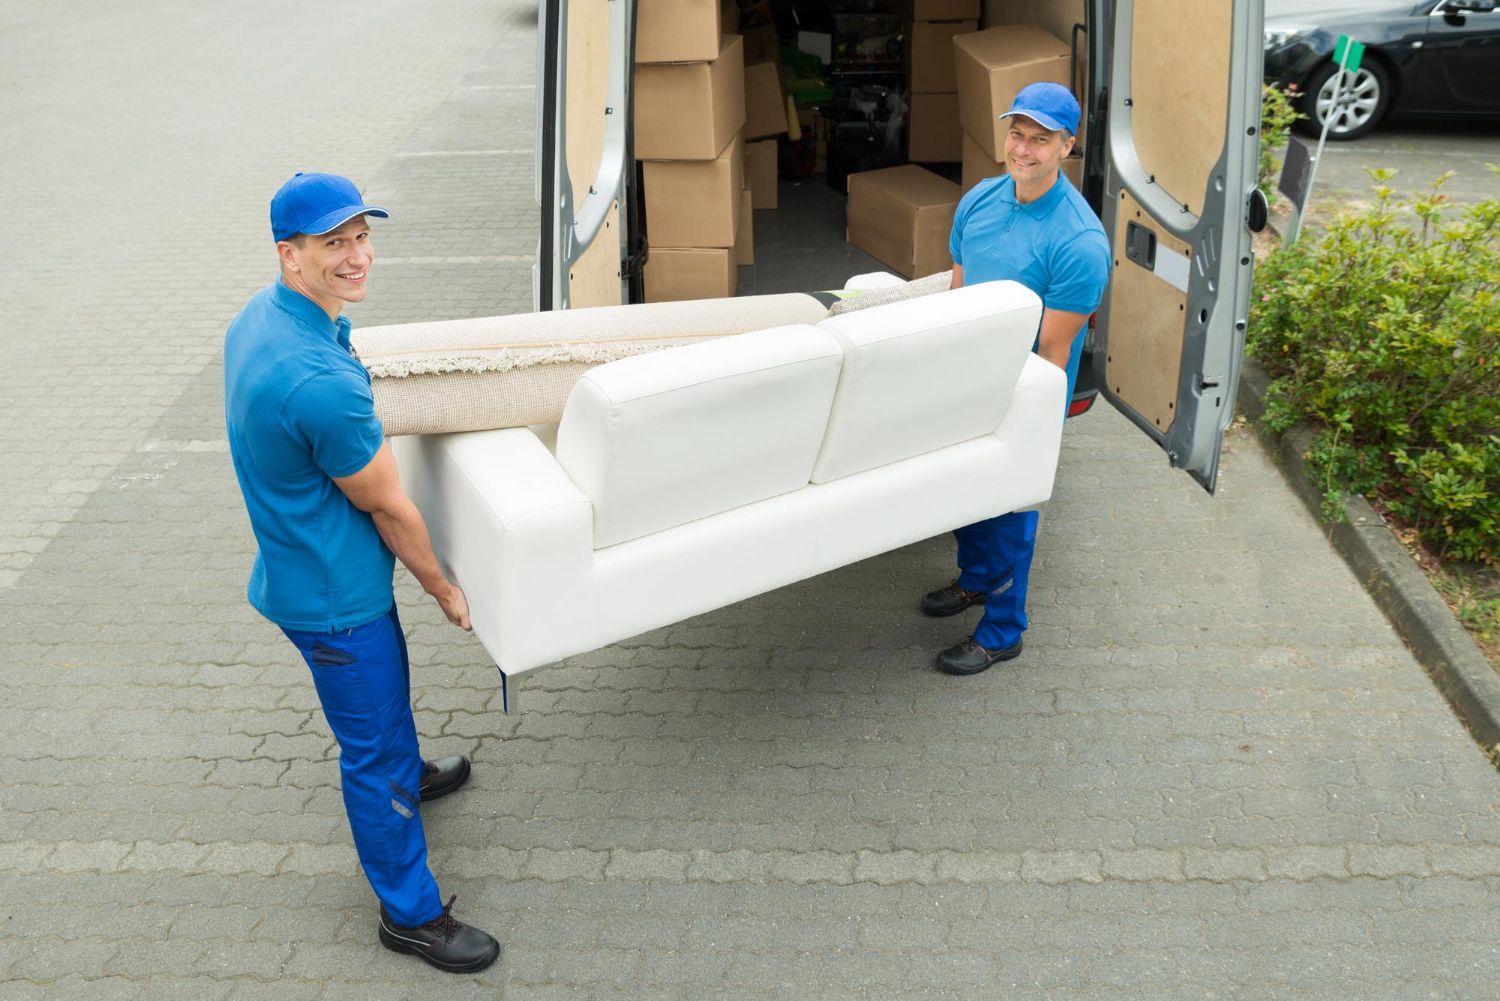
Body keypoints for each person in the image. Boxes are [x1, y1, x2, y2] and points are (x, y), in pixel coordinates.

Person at [223, 172, 501, 973]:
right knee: (370, 753)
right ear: (290, 254)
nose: (357, 256)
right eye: (333, 244)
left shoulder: (264, 316)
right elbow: (389, 507)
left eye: (361, 237)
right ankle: (409, 914)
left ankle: (409, 770)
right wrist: (445, 588)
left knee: (385, 706)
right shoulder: (317, 383)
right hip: (335, 600)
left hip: (304, 565)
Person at [925, 83, 1111, 676]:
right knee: (963, 491)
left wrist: (1024, 429)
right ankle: (976, 580)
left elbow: (1053, 353)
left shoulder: (1079, 242)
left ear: (1066, 147)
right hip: (969, 378)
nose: (1023, 149)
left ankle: (1003, 630)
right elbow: (957, 296)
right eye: (1017, 134)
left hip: (1024, 390)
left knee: (1009, 511)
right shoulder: (979, 200)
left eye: (1041, 140)